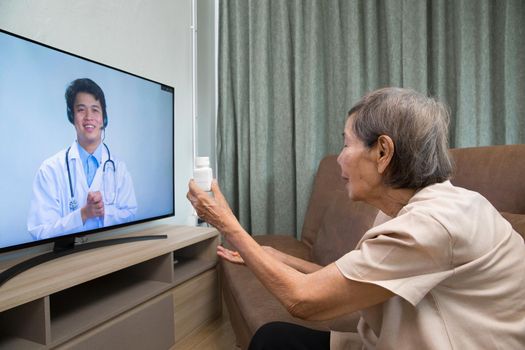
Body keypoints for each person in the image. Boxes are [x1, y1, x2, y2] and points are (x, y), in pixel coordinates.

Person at [187, 87, 525, 349]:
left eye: (346, 144)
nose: (340, 159)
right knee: (274, 339)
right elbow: (357, 281)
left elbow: (303, 301)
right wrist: (273, 256)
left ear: (382, 152)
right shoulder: (410, 209)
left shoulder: (430, 226)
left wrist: (226, 223)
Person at [28, 78, 137, 240]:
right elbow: (40, 231)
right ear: (71, 115)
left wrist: (104, 211)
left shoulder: (118, 168)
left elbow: (131, 215)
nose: (88, 117)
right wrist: (83, 214)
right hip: (66, 259)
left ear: (103, 118)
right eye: (81, 110)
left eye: (95, 110)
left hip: (111, 249)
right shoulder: (50, 169)